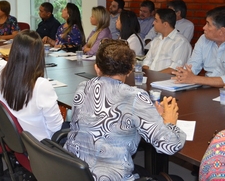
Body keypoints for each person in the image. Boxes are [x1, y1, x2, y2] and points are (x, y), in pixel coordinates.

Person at [64, 39, 186, 181]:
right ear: (130, 69)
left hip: (74, 171)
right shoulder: (135, 97)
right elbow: (170, 146)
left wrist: (150, 115)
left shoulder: (83, 87)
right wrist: (169, 122)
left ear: (97, 68)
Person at [0, 30, 63, 141]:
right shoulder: (41, 85)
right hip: (42, 148)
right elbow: (56, 128)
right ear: (39, 55)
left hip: (15, 141)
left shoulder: (1, 72)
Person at [173, 6, 225, 87]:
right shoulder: (204, 38)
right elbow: (193, 65)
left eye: (208, 24)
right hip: (206, 89)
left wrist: (194, 79)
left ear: (221, 31)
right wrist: (183, 74)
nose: (204, 27)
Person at [143, 9, 192, 74]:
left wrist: (153, 76)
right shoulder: (156, 40)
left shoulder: (181, 42)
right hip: (151, 78)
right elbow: (146, 62)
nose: (153, 23)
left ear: (165, 24)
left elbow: (175, 69)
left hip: (167, 82)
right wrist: (147, 75)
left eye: (156, 20)